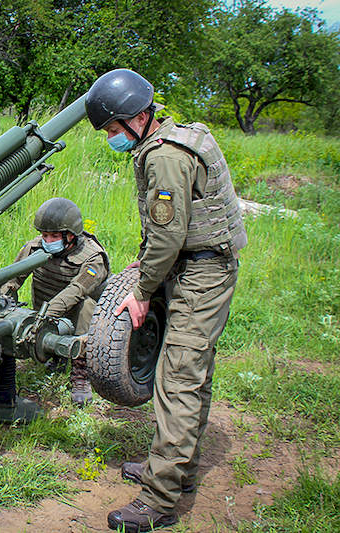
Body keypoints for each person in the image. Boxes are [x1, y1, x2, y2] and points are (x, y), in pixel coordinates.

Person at [85, 68, 247, 532]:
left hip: (201, 271)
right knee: (191, 373)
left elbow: (168, 233)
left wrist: (141, 292)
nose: (113, 138)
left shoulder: (165, 159)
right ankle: (178, 472)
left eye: (115, 129)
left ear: (139, 117)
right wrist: (150, 264)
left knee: (179, 377)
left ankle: (159, 501)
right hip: (193, 263)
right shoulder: (176, 137)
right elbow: (168, 232)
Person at [1, 197, 110, 407]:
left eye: (54, 236)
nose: (47, 241)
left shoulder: (93, 257)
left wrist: (45, 315)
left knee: (86, 305)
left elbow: (77, 289)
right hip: (43, 309)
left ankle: (81, 373)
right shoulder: (34, 248)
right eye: (44, 235)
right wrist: (4, 298)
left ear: (70, 235)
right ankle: (54, 355)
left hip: (73, 315)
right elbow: (13, 277)